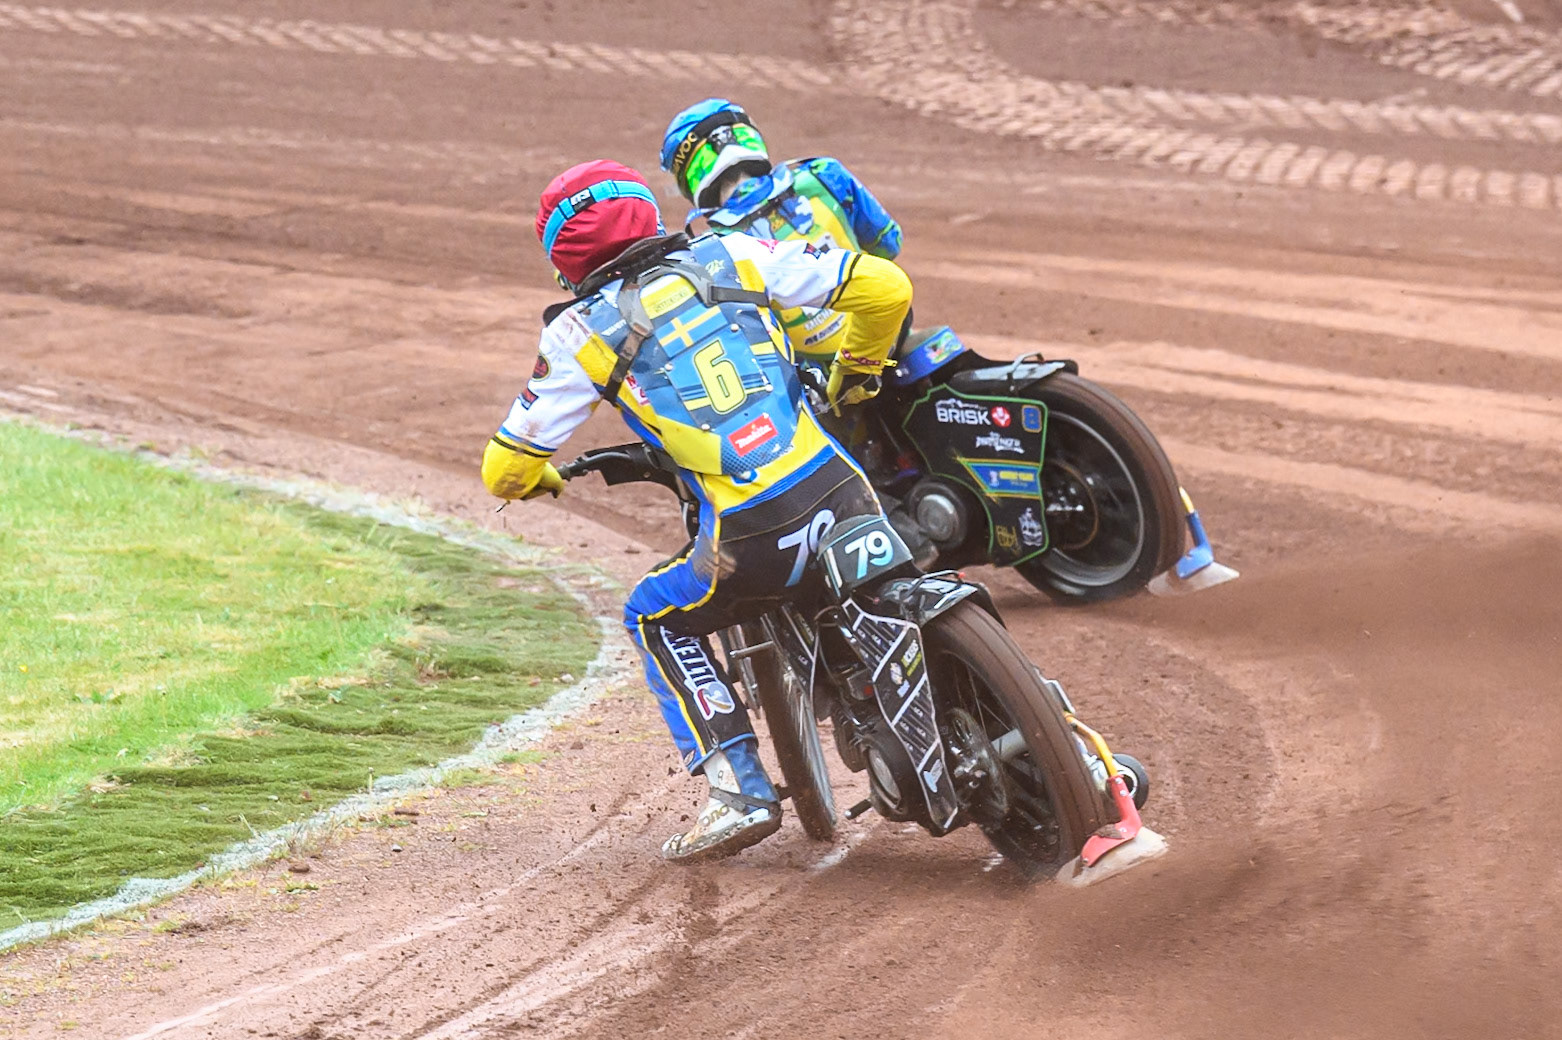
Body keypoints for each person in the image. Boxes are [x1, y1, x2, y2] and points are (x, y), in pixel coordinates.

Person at [482, 160, 912, 862]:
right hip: (842, 488)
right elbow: (886, 287)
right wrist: (857, 373)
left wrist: (544, 482)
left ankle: (738, 790)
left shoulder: (578, 334)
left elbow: (503, 470)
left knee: (652, 612)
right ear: (651, 215)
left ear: (564, 261)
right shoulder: (732, 251)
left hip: (748, 539)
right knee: (908, 592)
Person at [659, 99, 903, 367]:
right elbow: (889, 244)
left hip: (820, 385)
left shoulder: (714, 247)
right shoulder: (823, 174)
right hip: (890, 339)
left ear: (688, 173)